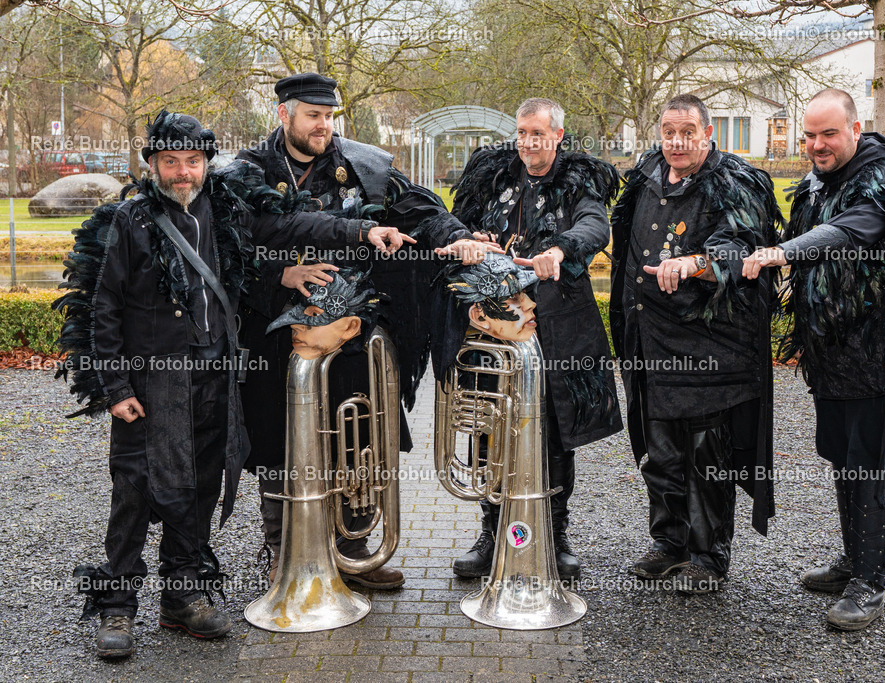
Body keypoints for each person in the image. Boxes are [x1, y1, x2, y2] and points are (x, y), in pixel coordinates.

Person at [53, 110, 408, 659]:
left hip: (214, 378)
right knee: (134, 494)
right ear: (152, 164)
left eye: (192, 162)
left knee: (197, 489)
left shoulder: (227, 206)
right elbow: (104, 309)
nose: (182, 173)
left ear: (205, 163)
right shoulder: (130, 219)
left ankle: (183, 596)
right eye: (170, 162)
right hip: (151, 384)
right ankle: (117, 607)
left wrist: (362, 229)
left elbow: (292, 226)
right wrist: (115, 387)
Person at [236, 72, 499, 590]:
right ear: (283, 114)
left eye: (330, 116)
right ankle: (283, 548)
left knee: (357, 437)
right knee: (278, 441)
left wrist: (460, 237)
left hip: (353, 329)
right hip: (274, 331)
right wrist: (280, 272)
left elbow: (421, 210)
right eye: (313, 115)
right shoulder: (249, 169)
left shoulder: (362, 163)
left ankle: (352, 546)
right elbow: (246, 238)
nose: (324, 126)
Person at [742, 88, 885, 629]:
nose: (817, 145)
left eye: (828, 134)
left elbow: (848, 232)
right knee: (844, 455)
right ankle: (852, 561)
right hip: (832, 353)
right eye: (810, 136)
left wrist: (786, 252)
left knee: (873, 459)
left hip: (880, 354)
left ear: (855, 128)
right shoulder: (819, 184)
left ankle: (871, 581)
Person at [610, 93, 780, 593]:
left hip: (709, 347)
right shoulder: (645, 177)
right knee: (659, 447)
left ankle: (709, 556)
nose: (677, 142)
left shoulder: (735, 181)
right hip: (649, 339)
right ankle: (669, 544)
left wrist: (696, 263)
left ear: (709, 134)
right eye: (668, 131)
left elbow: (741, 246)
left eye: (687, 132)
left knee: (707, 453)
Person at [448, 98, 622, 581]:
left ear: (558, 135)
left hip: (556, 325)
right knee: (488, 426)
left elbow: (595, 224)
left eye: (537, 134)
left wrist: (561, 247)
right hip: (493, 325)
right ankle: (490, 531)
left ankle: (555, 532)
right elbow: (458, 220)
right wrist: (470, 236)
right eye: (522, 133)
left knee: (553, 431)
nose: (527, 143)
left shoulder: (579, 179)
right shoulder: (494, 173)